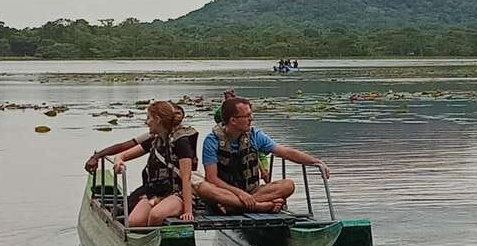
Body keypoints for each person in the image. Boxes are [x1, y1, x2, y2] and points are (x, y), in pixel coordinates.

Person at [196, 97, 330, 214]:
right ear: (233, 120)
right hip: (225, 194)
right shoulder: (212, 141)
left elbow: (285, 152)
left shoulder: (255, 135)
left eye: (251, 114)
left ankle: (234, 207)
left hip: (252, 192)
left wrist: (316, 162)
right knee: (204, 188)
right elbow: (212, 178)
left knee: (288, 185)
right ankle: (259, 206)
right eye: (247, 116)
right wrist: (239, 193)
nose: (251, 119)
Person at [113, 102, 199, 226]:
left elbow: (186, 178)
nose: (146, 122)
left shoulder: (181, 142)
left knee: (156, 215)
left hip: (177, 194)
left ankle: (160, 240)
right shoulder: (155, 140)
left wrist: (188, 211)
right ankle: (145, 241)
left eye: (148, 118)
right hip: (156, 193)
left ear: (157, 120)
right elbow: (124, 155)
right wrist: (118, 160)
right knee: (133, 221)